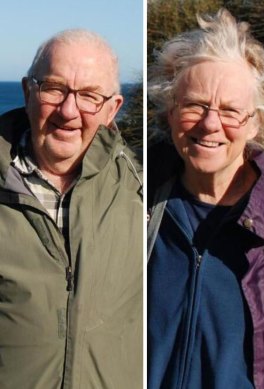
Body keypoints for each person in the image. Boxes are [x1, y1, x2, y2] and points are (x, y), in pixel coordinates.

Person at [146, 9, 264, 389]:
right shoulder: (136, 205)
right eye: (195, 105)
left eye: (230, 111)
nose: (210, 124)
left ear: (256, 122)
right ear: (171, 110)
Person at [0, 30, 143, 388]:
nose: (68, 110)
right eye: (53, 88)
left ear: (112, 110)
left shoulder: (145, 195)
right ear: (27, 91)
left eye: (89, 96)